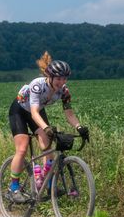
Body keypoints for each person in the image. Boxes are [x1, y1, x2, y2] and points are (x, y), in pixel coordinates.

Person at [7, 51, 89, 203]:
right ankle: (13, 189)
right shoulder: (38, 85)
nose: (62, 82)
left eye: (65, 78)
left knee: (47, 144)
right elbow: (33, 112)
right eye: (59, 78)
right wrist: (46, 128)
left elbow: (69, 114)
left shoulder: (64, 91)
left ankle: (49, 185)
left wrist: (79, 127)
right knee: (22, 148)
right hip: (20, 110)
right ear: (50, 77)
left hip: (37, 110)